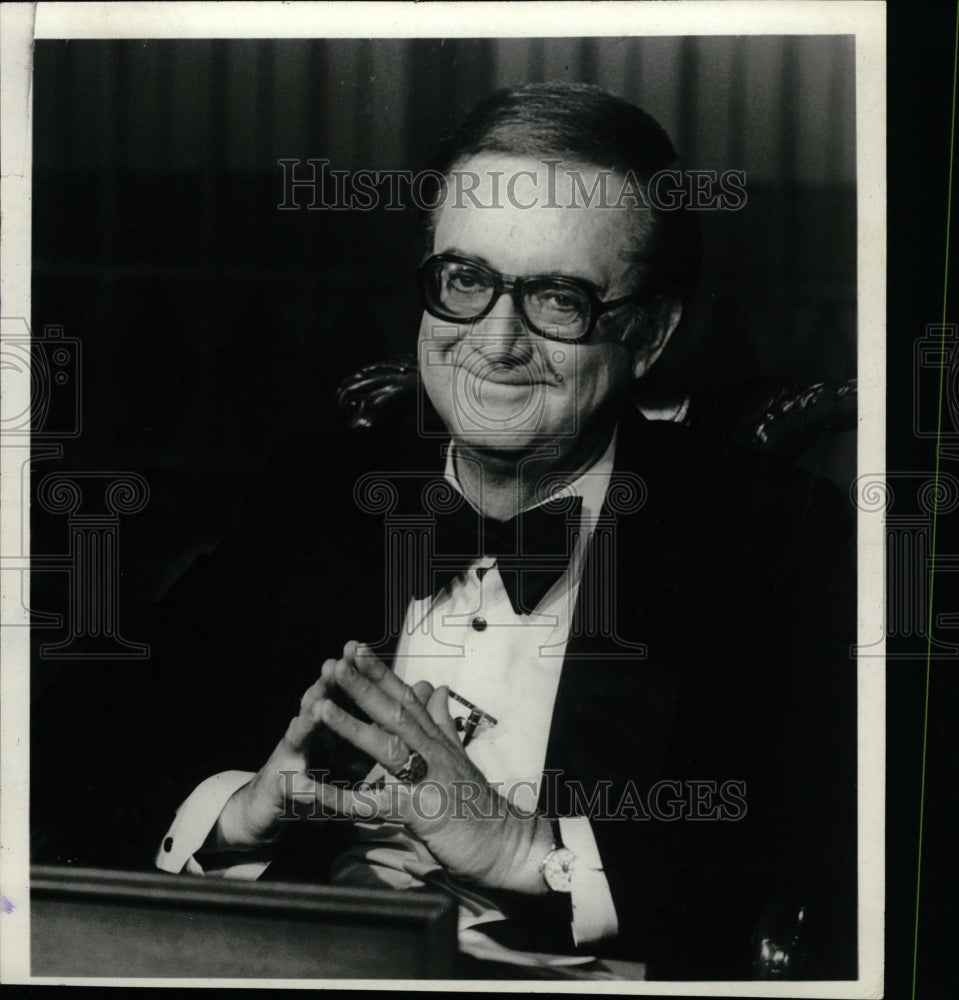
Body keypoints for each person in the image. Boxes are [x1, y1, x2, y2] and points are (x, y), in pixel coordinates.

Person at [142, 83, 856, 979]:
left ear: (648, 333)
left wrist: (533, 855)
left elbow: (838, 827)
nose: (497, 339)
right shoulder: (317, 492)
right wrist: (237, 814)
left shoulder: (770, 538)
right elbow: (85, 737)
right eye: (466, 280)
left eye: (558, 298)